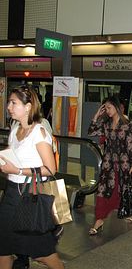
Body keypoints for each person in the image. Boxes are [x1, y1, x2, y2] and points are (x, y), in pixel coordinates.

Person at [0, 85, 64, 269]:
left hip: (30, 196)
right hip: (11, 193)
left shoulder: (39, 132)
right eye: (9, 103)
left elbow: (50, 169)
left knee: (43, 253)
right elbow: (13, 156)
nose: (9, 107)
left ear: (28, 106)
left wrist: (18, 171)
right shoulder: (15, 129)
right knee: (3, 246)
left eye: (14, 103)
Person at [88, 96, 132, 235]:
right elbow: (91, 132)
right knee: (103, 190)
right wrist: (96, 116)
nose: (108, 111)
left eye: (109, 108)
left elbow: (131, 145)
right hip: (108, 164)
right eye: (105, 108)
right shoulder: (106, 123)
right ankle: (99, 220)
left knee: (123, 189)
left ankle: (127, 211)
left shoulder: (126, 124)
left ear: (116, 107)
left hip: (124, 164)